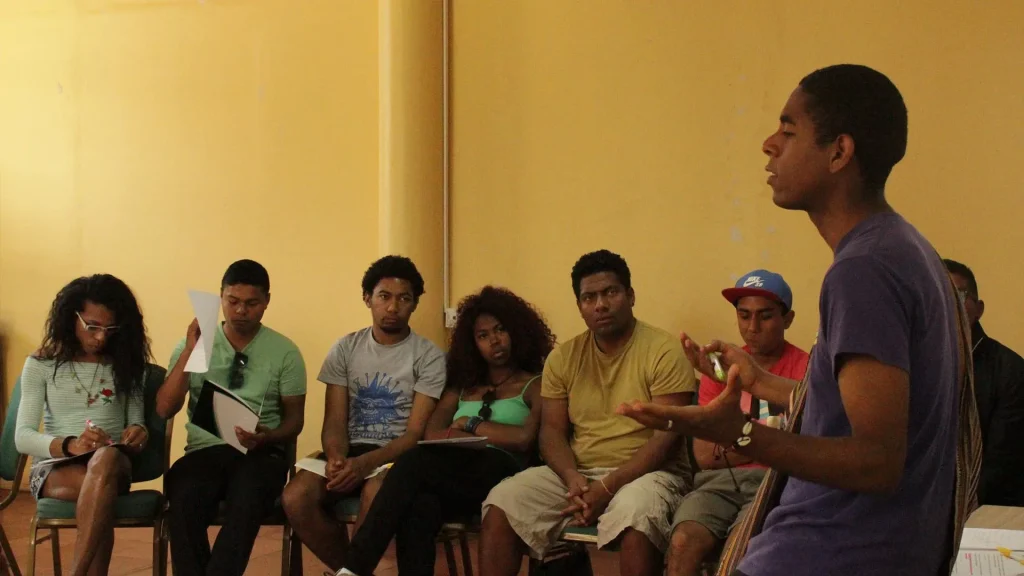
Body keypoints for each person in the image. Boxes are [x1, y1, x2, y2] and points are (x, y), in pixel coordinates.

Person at [619, 64, 980, 576]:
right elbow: (857, 410)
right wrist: (758, 381)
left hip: (829, 554)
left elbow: (877, 460)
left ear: (839, 152)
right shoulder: (906, 249)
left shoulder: (863, 270)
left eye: (788, 131)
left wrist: (739, 432)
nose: (769, 144)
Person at [479, 249, 697, 576]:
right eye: (589, 297)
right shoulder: (564, 357)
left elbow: (666, 438)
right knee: (502, 502)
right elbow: (551, 432)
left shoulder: (663, 350)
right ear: (580, 306)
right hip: (579, 474)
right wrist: (572, 478)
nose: (600, 305)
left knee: (638, 514)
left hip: (649, 474)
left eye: (610, 292)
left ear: (630, 295)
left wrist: (607, 487)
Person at [333, 286, 557, 576]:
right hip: (453, 472)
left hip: (503, 474)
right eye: (483, 335)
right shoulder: (462, 386)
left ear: (517, 330)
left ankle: (354, 568)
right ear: (472, 343)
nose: (494, 341)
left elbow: (523, 439)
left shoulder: (536, 383)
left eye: (501, 330)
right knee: (420, 505)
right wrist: (479, 436)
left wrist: (470, 424)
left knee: (412, 462)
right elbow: (432, 434)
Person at [281, 255, 445, 572]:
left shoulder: (428, 356)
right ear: (367, 298)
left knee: (376, 490)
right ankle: (352, 569)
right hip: (350, 451)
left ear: (414, 304)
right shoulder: (345, 349)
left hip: (397, 457)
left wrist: (365, 465)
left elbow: (414, 435)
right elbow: (334, 422)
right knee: (296, 496)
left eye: (404, 299)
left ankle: (354, 569)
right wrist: (337, 458)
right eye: (384, 296)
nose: (393, 307)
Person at [157, 260, 307, 576]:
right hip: (204, 452)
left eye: (251, 303)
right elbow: (164, 409)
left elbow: (295, 422)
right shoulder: (196, 345)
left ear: (266, 301)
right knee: (182, 495)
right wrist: (189, 351)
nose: (241, 311)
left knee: (249, 495)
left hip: (260, 453)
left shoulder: (285, 351)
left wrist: (267, 436)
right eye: (233, 301)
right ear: (221, 297)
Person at [666, 270, 809, 576]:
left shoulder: (807, 368)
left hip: (776, 483)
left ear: (788, 319)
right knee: (681, 542)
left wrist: (733, 439)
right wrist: (772, 439)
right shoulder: (719, 368)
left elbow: (804, 451)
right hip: (718, 483)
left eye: (765, 316)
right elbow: (705, 456)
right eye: (744, 316)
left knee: (739, 550)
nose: (752, 328)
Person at [15, 274, 153, 576]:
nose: (101, 337)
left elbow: (137, 423)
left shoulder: (126, 366)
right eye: (92, 326)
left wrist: (137, 434)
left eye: (110, 329)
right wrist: (71, 445)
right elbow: (22, 437)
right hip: (55, 467)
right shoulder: (41, 364)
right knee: (100, 497)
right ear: (71, 318)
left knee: (105, 460)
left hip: (112, 462)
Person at [944, 259, 1024, 506]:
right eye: (936, 295)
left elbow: (1001, 464)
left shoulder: (1010, 369)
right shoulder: (913, 364)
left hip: (990, 509)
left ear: (978, 309)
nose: (946, 305)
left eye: (957, 296)